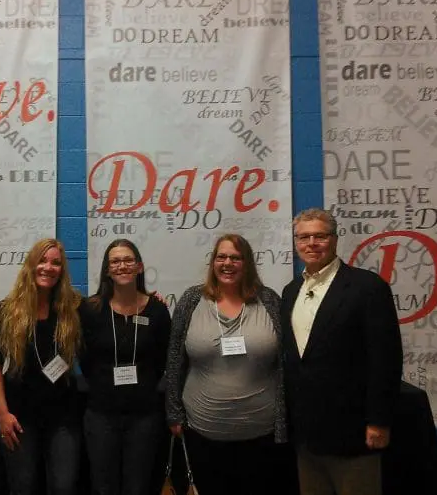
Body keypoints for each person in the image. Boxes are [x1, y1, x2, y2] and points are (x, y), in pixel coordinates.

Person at [280, 208, 403, 495]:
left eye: (320, 236)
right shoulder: (290, 291)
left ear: (335, 239)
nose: (311, 243)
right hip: (306, 434)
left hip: (355, 433)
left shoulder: (367, 287)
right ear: (296, 242)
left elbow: (385, 358)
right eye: (304, 237)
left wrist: (379, 420)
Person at [164, 233, 291, 495]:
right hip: (203, 431)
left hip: (261, 432)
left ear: (246, 264)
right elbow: (175, 358)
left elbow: (284, 362)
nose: (227, 263)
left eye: (235, 257)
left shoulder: (269, 300)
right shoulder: (191, 301)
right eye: (221, 257)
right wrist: (173, 412)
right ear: (213, 263)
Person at [0, 238, 82, 495]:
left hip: (63, 417)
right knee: (23, 487)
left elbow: (112, 304)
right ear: (31, 265)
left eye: (55, 263)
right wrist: (3, 415)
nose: (48, 267)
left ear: (61, 270)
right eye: (42, 260)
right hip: (19, 416)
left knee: (63, 487)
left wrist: (146, 295)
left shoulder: (73, 308)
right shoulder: (5, 311)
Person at [79, 239, 171, 495]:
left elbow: (164, 358)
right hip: (101, 415)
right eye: (115, 261)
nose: (122, 266)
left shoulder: (157, 310)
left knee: (138, 487)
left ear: (139, 266)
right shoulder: (90, 309)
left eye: (128, 260)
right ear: (107, 270)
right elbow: (83, 357)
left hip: (144, 416)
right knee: (103, 486)